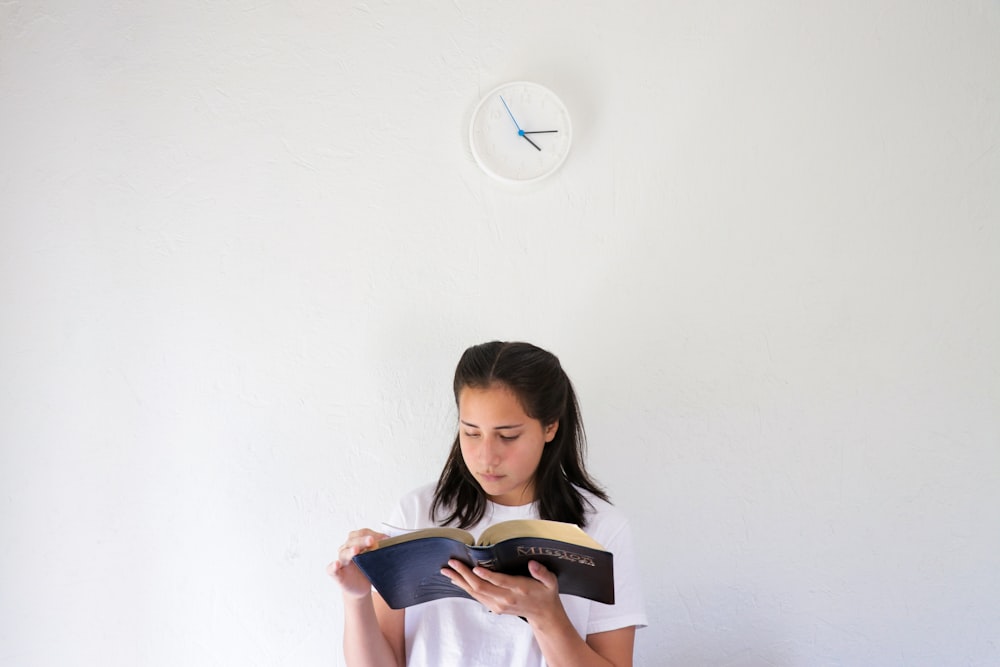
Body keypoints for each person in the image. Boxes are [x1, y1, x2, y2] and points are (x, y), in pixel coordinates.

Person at [328, 341, 647, 666]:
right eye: (471, 433)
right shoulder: (417, 512)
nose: (486, 457)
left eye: (507, 436)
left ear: (550, 427)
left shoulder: (602, 527)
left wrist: (545, 615)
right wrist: (356, 597)